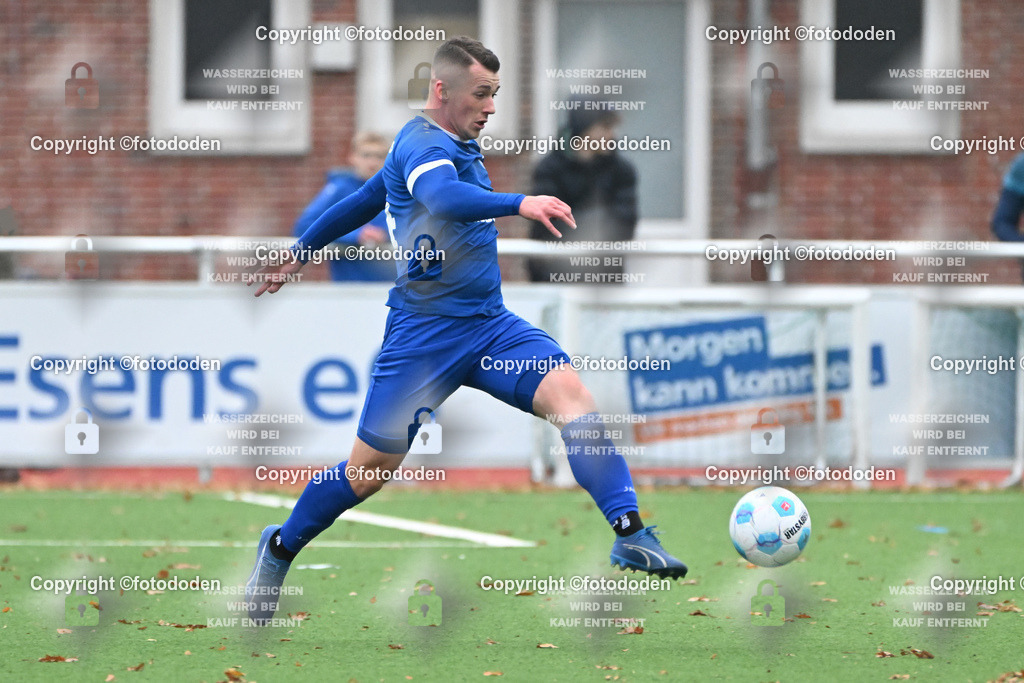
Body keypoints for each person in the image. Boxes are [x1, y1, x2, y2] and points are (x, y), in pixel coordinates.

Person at [245, 37, 686, 625]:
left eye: (495, 94)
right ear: (442, 91)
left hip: (488, 327)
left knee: (572, 397)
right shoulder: (425, 144)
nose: (491, 106)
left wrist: (301, 250)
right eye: (481, 93)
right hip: (423, 339)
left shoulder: (453, 142)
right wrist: (519, 202)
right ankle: (278, 549)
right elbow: (441, 198)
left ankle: (629, 531)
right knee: (366, 475)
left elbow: (363, 200)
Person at [527, 104, 637, 283]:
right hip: (556, 277)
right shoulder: (550, 168)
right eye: (605, 127)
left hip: (604, 280)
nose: (611, 136)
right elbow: (548, 225)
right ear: (584, 129)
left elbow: (624, 225)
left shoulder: (621, 170)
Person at [292, 131, 393, 282]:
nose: (372, 162)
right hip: (349, 288)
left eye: (379, 156)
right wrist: (356, 235)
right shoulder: (339, 189)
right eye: (366, 155)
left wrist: (385, 234)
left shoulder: (399, 191)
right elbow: (304, 226)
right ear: (352, 157)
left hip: (391, 288)